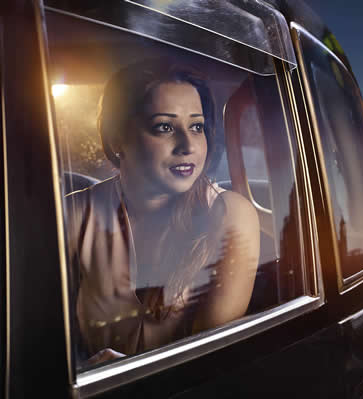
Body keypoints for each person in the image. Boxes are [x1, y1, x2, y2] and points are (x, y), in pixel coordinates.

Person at [65, 59, 260, 364]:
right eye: (164, 127)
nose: (188, 145)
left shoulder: (229, 214)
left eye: (196, 126)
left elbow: (211, 362)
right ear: (118, 138)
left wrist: (125, 372)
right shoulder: (77, 211)